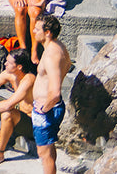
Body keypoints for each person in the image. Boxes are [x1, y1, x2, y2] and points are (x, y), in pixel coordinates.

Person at [31, 15, 70, 174]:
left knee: (44, 154)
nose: (33, 31)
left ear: (47, 33)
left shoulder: (52, 55)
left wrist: (43, 109)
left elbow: (54, 93)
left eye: (37, 29)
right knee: (49, 149)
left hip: (47, 110)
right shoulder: (56, 46)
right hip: (50, 108)